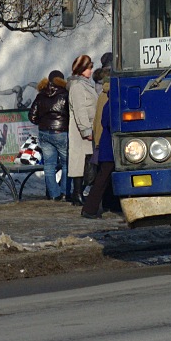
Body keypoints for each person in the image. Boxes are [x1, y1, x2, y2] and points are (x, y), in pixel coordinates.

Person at [82, 53, 118, 219]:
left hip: (105, 143)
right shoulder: (110, 97)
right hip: (108, 144)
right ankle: (90, 208)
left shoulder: (104, 95)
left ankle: (108, 205)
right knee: (103, 177)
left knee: (105, 176)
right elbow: (106, 120)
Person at [28, 69, 70, 201]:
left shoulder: (41, 95)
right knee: (66, 164)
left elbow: (32, 116)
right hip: (61, 132)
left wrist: (42, 122)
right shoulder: (65, 94)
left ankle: (53, 194)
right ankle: (65, 191)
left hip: (44, 132)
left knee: (49, 165)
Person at [67, 54, 98, 205]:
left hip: (88, 129)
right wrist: (86, 131)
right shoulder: (77, 86)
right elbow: (80, 110)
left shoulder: (85, 84)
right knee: (80, 163)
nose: (91, 71)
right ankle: (77, 194)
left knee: (86, 163)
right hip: (81, 132)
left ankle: (79, 193)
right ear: (81, 69)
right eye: (88, 68)